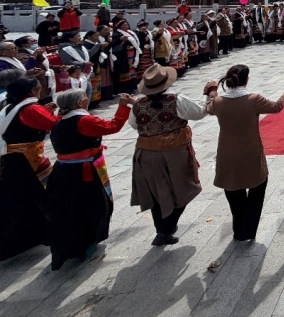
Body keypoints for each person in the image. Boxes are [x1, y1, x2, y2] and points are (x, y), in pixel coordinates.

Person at [47, 89, 134, 270]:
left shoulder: (59, 120)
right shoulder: (84, 121)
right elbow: (113, 126)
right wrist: (123, 107)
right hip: (83, 172)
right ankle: (88, 240)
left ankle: (70, 245)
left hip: (62, 171)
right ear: (79, 103)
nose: (87, 98)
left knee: (67, 208)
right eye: (84, 97)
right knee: (94, 205)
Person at [205, 64, 284, 241]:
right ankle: (247, 228)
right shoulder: (253, 99)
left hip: (226, 153)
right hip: (250, 151)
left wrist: (212, 91)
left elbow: (209, 107)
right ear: (246, 80)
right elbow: (276, 107)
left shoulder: (219, 102)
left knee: (233, 190)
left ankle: (240, 228)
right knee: (258, 186)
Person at [129, 64, 206, 247]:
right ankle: (166, 228)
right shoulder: (176, 100)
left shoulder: (138, 104)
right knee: (184, 188)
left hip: (146, 154)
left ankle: (162, 230)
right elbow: (200, 112)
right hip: (175, 152)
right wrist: (207, 94)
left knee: (155, 193)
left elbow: (134, 125)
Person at [0, 77, 57, 261]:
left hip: (12, 159)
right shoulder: (30, 108)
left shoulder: (10, 108)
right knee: (40, 196)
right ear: (32, 91)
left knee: (21, 199)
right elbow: (55, 124)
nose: (41, 90)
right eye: (39, 88)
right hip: (28, 160)